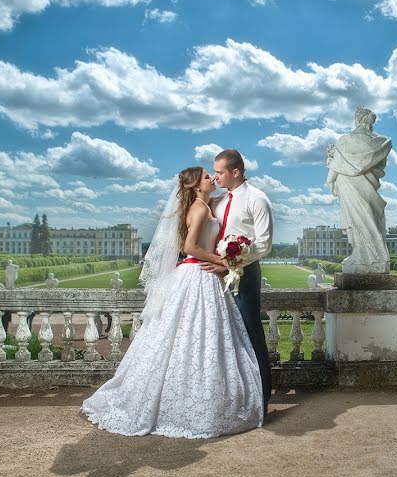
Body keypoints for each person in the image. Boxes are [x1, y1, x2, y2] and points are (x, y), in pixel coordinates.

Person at [81, 167, 264, 438]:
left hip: (196, 274)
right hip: (197, 271)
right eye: (206, 176)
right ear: (194, 186)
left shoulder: (205, 204)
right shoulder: (200, 209)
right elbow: (190, 247)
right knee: (197, 335)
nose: (212, 178)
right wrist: (224, 261)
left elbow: (227, 205)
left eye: (212, 174)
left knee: (191, 336)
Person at [201, 149, 273, 414]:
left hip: (244, 274)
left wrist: (229, 263)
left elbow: (264, 244)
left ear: (236, 172)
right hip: (213, 275)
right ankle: (232, 397)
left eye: (219, 172)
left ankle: (262, 399)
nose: (215, 177)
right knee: (224, 336)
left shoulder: (257, 199)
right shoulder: (217, 202)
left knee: (251, 332)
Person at [326, 106, 391, 274]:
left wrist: (330, 181)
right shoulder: (383, 142)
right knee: (370, 219)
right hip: (368, 186)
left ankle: (365, 256)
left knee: (356, 221)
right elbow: (379, 167)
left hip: (349, 183)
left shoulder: (345, 141)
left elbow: (336, 167)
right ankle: (369, 256)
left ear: (357, 119)